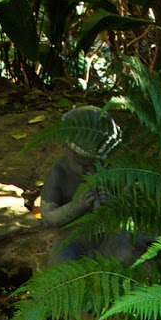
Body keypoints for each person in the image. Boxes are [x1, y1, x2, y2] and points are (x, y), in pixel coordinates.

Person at [39, 106, 123, 264]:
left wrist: (114, 204)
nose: (90, 171)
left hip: (110, 237)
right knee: (61, 260)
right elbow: (48, 216)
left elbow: (131, 206)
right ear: (67, 149)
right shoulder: (59, 173)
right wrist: (77, 206)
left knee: (127, 252)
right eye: (83, 165)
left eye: (96, 164)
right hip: (74, 240)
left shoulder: (116, 170)